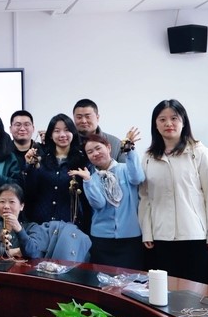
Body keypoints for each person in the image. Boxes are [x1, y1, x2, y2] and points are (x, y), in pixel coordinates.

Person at [138, 99, 208, 282]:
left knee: (194, 290)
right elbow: (145, 197)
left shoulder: (199, 152)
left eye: (174, 118)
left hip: (194, 235)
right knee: (164, 290)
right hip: (160, 236)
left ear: (183, 121)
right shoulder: (148, 157)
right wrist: (147, 231)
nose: (168, 123)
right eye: (162, 119)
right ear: (155, 124)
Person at [70, 131, 145, 270]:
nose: (95, 153)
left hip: (129, 237)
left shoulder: (125, 168)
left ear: (109, 147)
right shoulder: (91, 178)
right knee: (102, 278)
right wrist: (88, 181)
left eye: (98, 148)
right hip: (102, 238)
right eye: (90, 152)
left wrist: (130, 151)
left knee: (130, 279)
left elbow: (137, 178)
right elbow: (99, 204)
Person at [23, 114, 91, 233]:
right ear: (50, 134)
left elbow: (86, 199)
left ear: (73, 133)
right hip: (41, 225)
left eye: (67, 130)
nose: (62, 135)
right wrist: (29, 166)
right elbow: (30, 191)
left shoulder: (82, 160)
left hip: (69, 227)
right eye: (57, 131)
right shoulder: (41, 159)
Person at [73, 99, 126, 163]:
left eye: (88, 117)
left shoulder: (116, 143)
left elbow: (127, 168)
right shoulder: (69, 143)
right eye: (79, 117)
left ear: (97, 117)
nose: (84, 121)